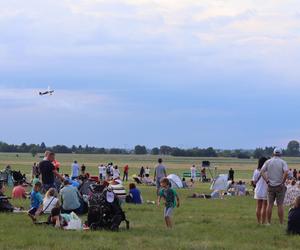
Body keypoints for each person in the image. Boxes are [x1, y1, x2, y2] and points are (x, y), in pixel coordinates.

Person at [261, 148, 289, 225]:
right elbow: (286, 172)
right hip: (280, 186)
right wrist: (282, 183)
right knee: (280, 205)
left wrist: (267, 181)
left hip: (270, 186)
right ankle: (281, 223)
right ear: (281, 154)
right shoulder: (283, 162)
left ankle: (269, 223)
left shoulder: (268, 161)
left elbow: (262, 171)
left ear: (273, 154)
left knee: (270, 204)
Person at [252, 157, 268, 224]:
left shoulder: (256, 171)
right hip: (266, 190)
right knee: (264, 206)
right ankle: (263, 222)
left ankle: (258, 221)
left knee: (258, 206)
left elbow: (254, 181)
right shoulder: (267, 171)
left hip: (258, 189)